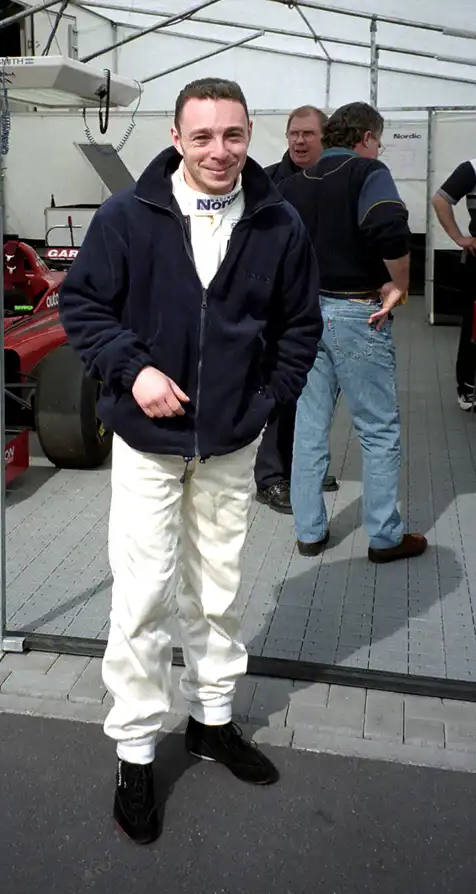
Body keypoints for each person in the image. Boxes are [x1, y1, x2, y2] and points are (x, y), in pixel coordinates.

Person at [58, 77, 322, 844]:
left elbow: (299, 325)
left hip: (231, 443)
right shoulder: (128, 215)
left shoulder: (277, 222)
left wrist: (266, 396)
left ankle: (211, 720)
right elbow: (84, 306)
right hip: (147, 442)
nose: (219, 151)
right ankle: (136, 751)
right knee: (141, 595)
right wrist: (131, 370)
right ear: (176, 137)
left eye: (233, 135)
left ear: (250, 135)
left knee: (218, 587)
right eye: (202, 136)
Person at [281, 101, 427, 564]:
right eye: (378, 140)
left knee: (310, 425)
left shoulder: (292, 186)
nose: (379, 148)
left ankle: (309, 531)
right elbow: (389, 227)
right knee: (378, 429)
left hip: (306, 317)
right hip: (358, 314)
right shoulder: (368, 173)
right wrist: (399, 288)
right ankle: (384, 536)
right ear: (365, 137)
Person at [256, 105, 338, 512]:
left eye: (308, 134)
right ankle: (271, 477)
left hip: (329, 300)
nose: (300, 141)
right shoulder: (269, 182)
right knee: (286, 391)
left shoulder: (338, 180)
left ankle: (305, 465)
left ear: (326, 137)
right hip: (282, 306)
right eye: (294, 134)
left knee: (321, 392)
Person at [432, 160, 476, 410]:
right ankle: (468, 387)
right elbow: (440, 200)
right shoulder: (472, 168)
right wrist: (459, 237)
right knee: (474, 324)